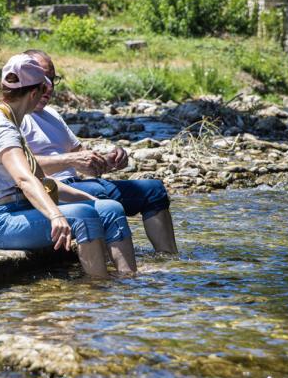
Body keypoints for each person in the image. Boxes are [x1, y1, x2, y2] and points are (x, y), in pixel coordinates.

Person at [0, 53, 138, 277]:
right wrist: (56, 216)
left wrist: (93, 200)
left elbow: (42, 180)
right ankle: (99, 291)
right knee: (83, 216)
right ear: (34, 92)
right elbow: (24, 179)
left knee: (110, 209)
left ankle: (129, 282)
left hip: (21, 209)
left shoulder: (11, 121)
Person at [20, 49, 178, 254]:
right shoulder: (16, 116)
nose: (48, 87)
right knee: (108, 202)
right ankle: (122, 271)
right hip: (52, 189)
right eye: (43, 79)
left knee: (154, 190)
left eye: (52, 79)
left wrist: (109, 160)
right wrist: (70, 160)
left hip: (81, 183)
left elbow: (84, 158)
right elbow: (20, 166)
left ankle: (170, 259)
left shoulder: (51, 114)